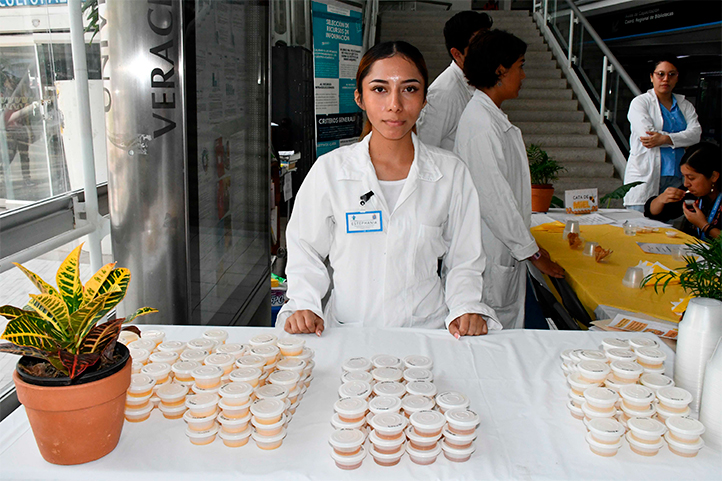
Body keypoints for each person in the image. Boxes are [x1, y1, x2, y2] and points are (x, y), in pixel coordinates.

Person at [278, 41, 501, 338]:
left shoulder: (450, 173)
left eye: (409, 89)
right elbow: (305, 246)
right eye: (380, 89)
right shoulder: (331, 171)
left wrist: (465, 306)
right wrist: (306, 303)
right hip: (349, 332)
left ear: (424, 99)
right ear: (360, 97)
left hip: (426, 334)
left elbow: (465, 258)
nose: (394, 105)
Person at [454, 30, 564, 330]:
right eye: (520, 66)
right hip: (489, 254)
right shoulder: (480, 125)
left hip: (501, 250)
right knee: (492, 340)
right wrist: (534, 253)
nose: (524, 74)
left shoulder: (490, 118)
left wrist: (530, 246)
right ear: (500, 71)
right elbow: (495, 202)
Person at [623, 56, 701, 211]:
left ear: (677, 77)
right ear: (652, 77)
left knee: (668, 227)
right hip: (647, 175)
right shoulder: (640, 102)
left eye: (671, 74)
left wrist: (665, 138)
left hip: (676, 177)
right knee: (640, 225)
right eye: (661, 74)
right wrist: (681, 138)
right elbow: (648, 136)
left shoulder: (684, 105)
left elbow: (696, 134)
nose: (666, 79)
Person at [416, 11, 492, 151]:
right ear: (457, 54)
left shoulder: (478, 82)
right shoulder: (443, 94)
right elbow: (425, 152)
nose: (488, 51)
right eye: (479, 46)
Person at [644, 142, 720, 240]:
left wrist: (704, 225)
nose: (686, 184)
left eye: (691, 178)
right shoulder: (692, 193)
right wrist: (661, 199)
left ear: (714, 176)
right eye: (684, 177)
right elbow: (653, 212)